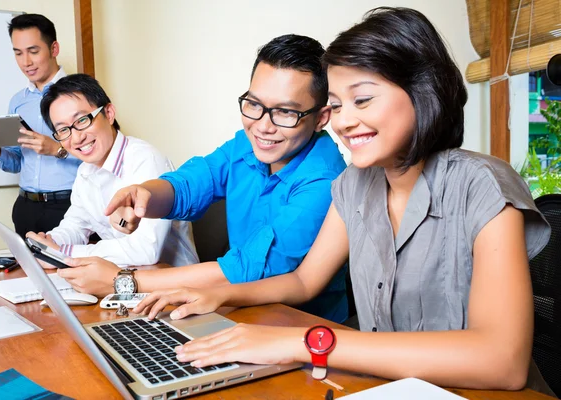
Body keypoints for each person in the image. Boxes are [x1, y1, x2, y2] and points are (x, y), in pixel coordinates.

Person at [132, 8, 553, 392]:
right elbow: (304, 281)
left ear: (423, 91)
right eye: (335, 104)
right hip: (387, 385)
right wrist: (222, 296)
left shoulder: (483, 183)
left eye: (363, 99)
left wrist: (303, 342)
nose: (345, 121)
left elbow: (502, 361)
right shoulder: (354, 183)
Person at [66, 34, 349, 322]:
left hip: (301, 327)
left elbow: (246, 269)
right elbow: (192, 182)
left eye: (285, 112)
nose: (263, 126)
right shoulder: (246, 145)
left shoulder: (325, 179)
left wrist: (123, 281)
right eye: (254, 105)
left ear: (321, 117)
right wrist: (144, 194)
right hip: (234, 311)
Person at [26, 73, 198, 268]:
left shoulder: (145, 159)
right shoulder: (85, 171)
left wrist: (64, 253)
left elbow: (146, 250)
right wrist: (48, 244)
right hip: (123, 282)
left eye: (82, 120)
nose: (76, 138)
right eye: (64, 130)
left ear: (108, 114)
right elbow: (75, 226)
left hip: (174, 283)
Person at [0, 14, 81, 238]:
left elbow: (103, 155)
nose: (26, 62)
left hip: (70, 207)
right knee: (26, 272)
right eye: (18, 53)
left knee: (69, 271)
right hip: (26, 207)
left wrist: (57, 150)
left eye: (33, 51)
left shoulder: (81, 94)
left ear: (54, 48)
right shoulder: (18, 101)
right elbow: (17, 162)